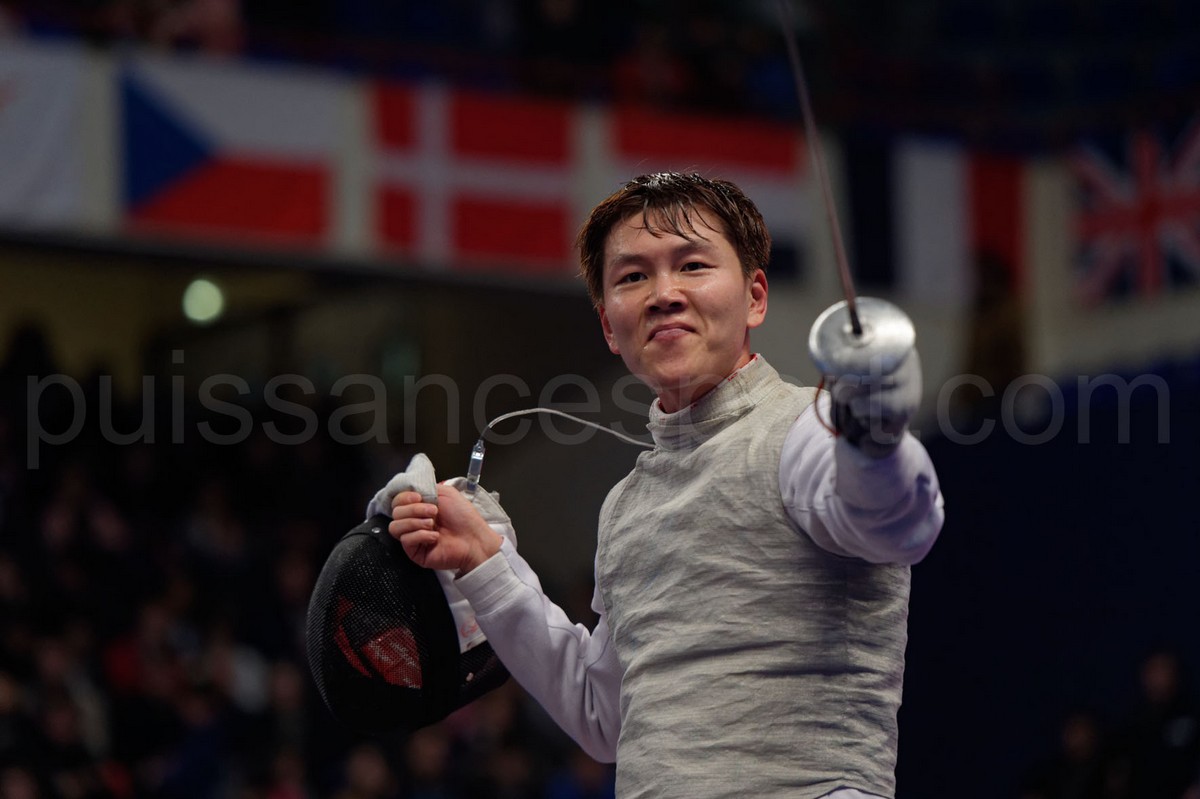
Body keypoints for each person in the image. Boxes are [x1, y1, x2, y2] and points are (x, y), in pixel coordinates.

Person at [376, 172, 945, 798]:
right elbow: (603, 717)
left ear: (755, 297)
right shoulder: (628, 505)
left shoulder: (808, 433)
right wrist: (483, 559)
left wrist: (874, 438)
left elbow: (897, 523)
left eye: (693, 265)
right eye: (632, 277)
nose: (664, 294)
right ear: (608, 327)